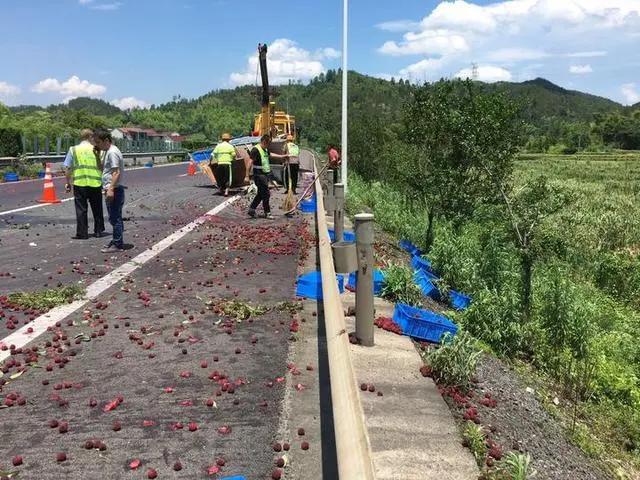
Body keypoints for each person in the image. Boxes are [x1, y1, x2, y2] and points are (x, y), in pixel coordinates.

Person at [63, 129, 105, 240]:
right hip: (95, 183)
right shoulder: (97, 149)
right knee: (97, 208)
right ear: (90, 137)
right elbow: (102, 166)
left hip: (80, 183)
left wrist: (68, 182)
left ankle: (82, 233)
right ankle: (98, 231)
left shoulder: (73, 149)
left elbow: (67, 167)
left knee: (81, 209)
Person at [93, 128, 126, 253]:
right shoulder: (107, 151)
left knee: (114, 217)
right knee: (114, 217)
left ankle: (118, 243)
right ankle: (117, 240)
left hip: (115, 189)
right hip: (112, 188)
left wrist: (111, 189)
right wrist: (97, 156)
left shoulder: (112, 152)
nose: (97, 145)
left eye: (98, 142)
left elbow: (116, 172)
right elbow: (102, 169)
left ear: (106, 140)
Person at [247, 134, 288, 219]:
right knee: (266, 194)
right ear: (263, 141)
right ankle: (267, 212)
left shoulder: (264, 149)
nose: (268, 146)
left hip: (264, 174)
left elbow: (271, 154)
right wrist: (247, 176)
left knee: (261, 194)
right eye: (267, 143)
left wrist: (282, 156)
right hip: (258, 174)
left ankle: (252, 209)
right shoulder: (255, 150)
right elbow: (249, 162)